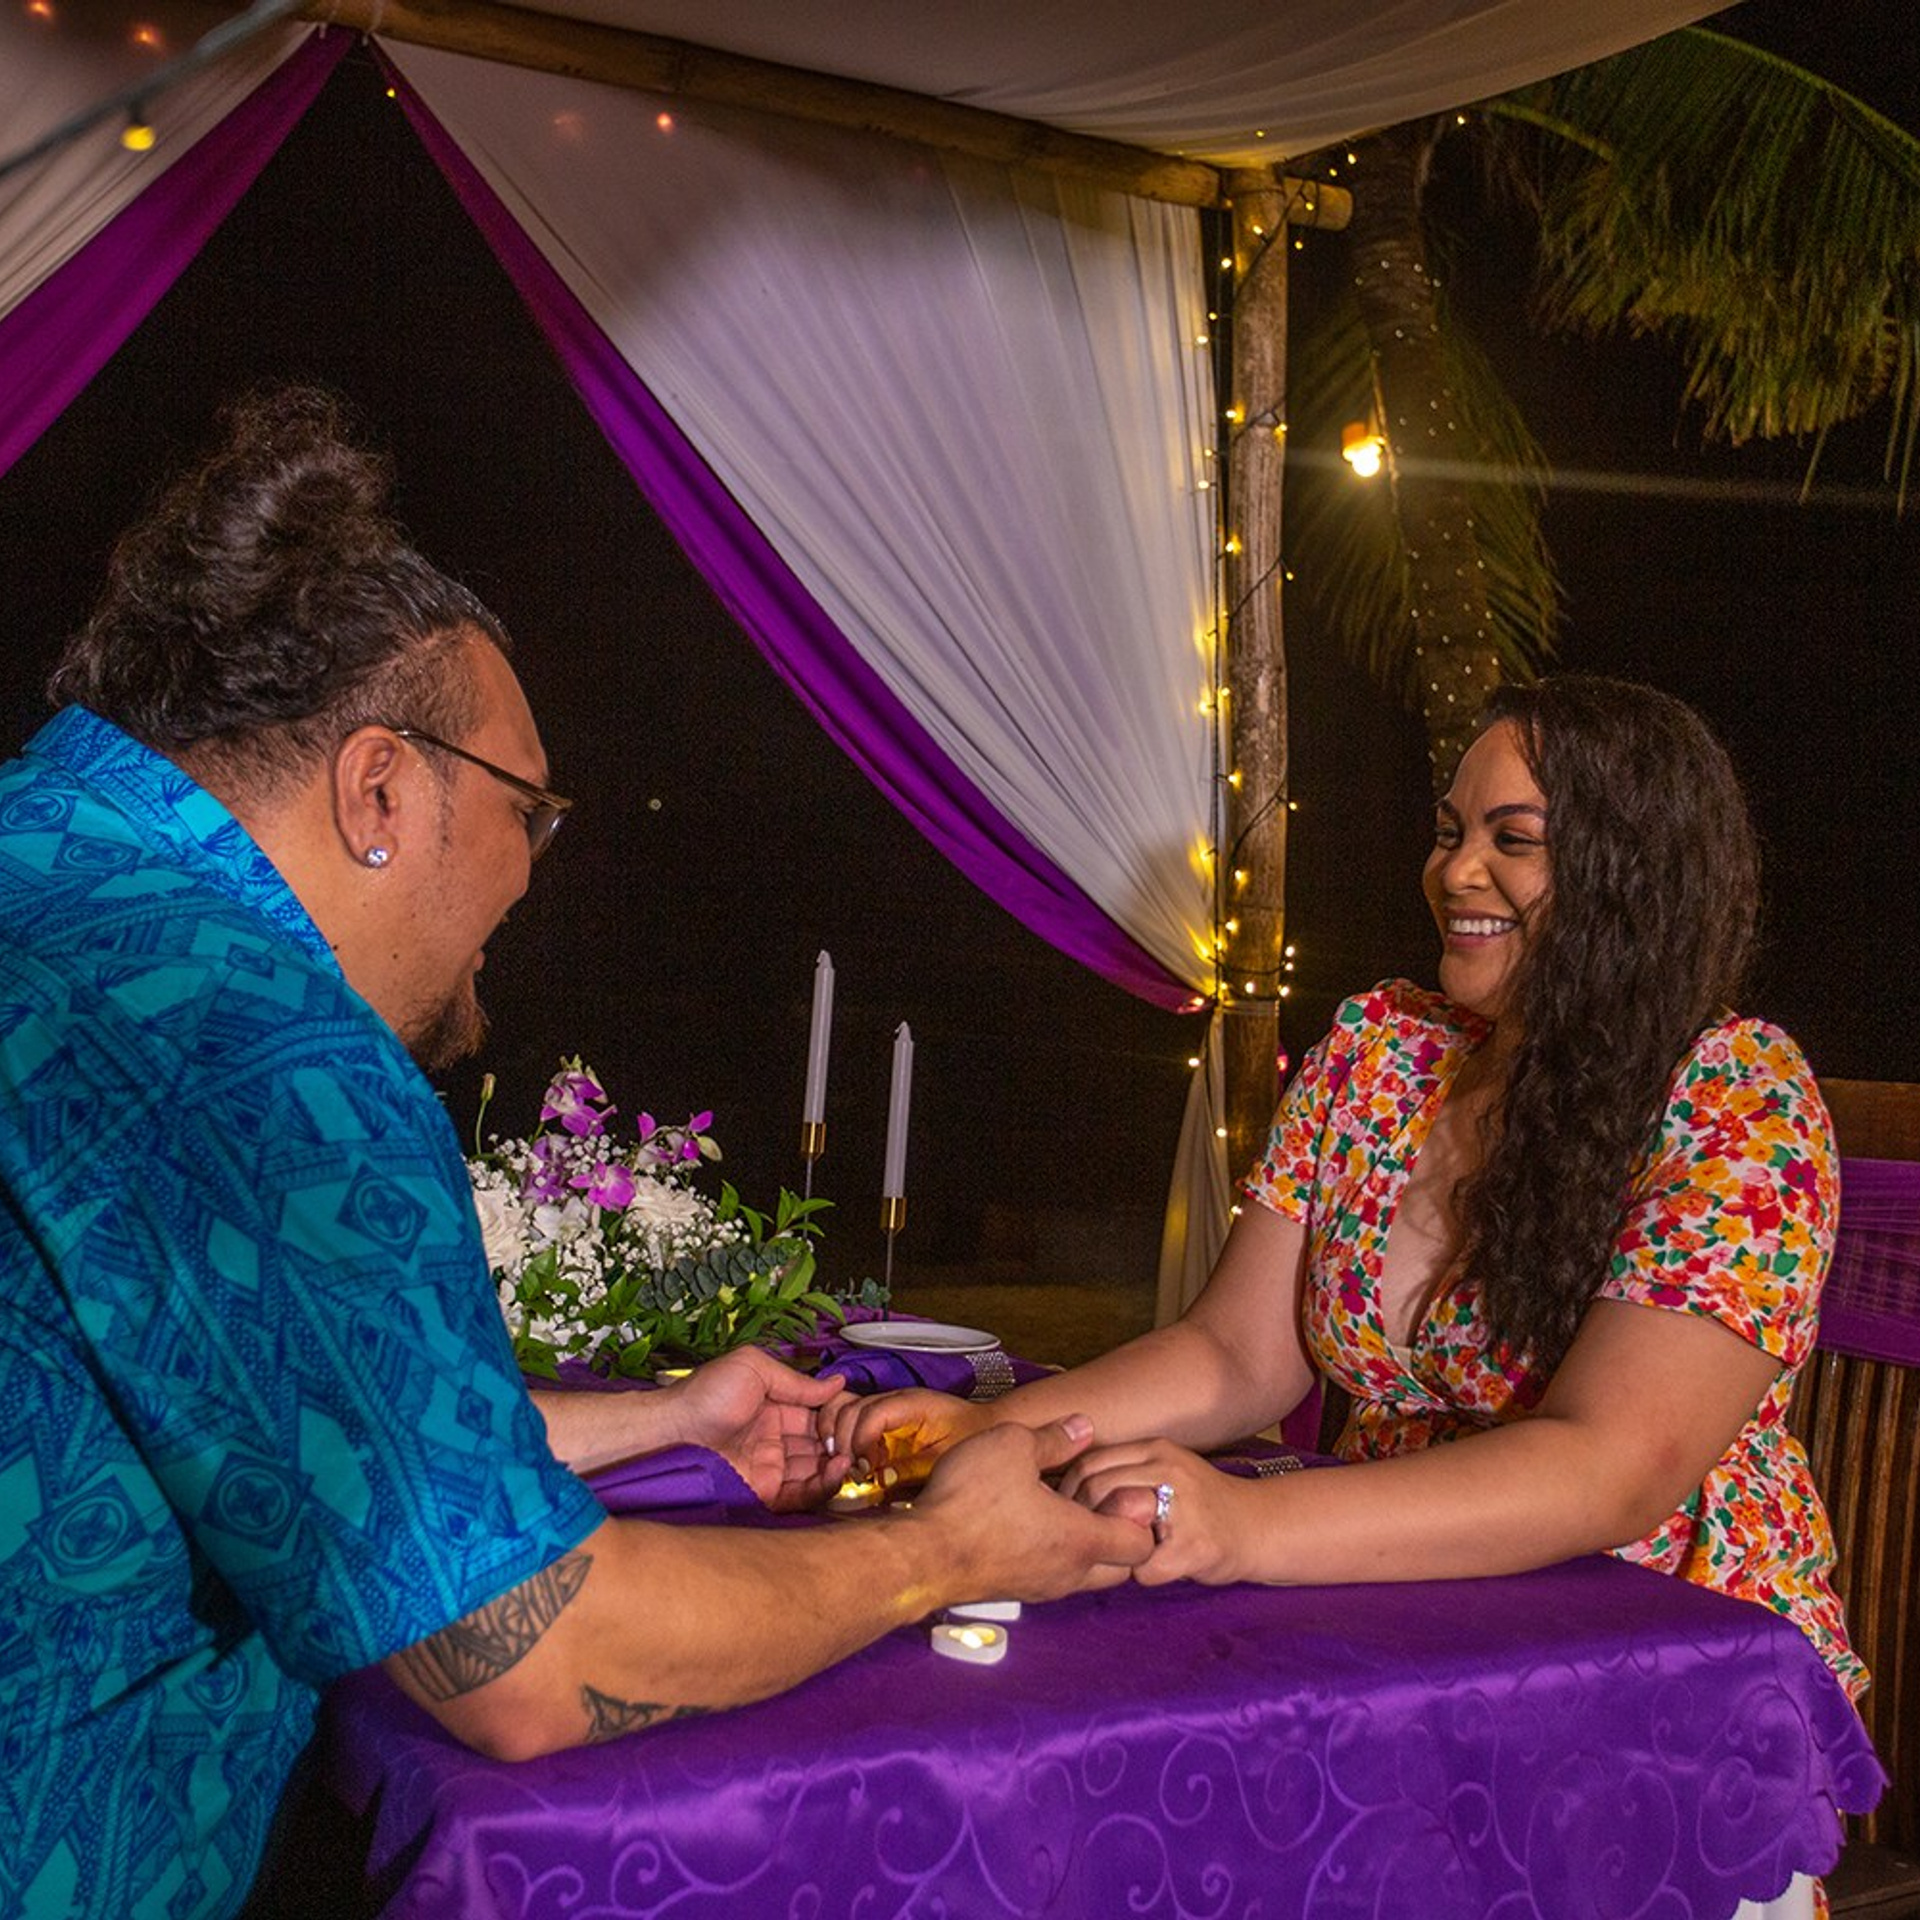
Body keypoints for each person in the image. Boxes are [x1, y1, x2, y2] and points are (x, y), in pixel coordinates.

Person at [0, 387, 1150, 1920]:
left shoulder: (63, 866)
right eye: (528, 815)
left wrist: (668, 1413)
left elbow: (278, 1397)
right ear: (382, 788)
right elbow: (526, 1660)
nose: (532, 879)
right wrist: (938, 1555)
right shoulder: (246, 1032)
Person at [830, 674, 1862, 1701]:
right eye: (1451, 830)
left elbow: (1611, 1468)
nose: (1456, 870)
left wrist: (1244, 1524)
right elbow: (1234, 1355)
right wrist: (1004, 1433)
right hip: (1383, 1604)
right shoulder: (1383, 1051)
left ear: (1631, 875)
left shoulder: (1736, 1096)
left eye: (1513, 840)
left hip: (1652, 1643)